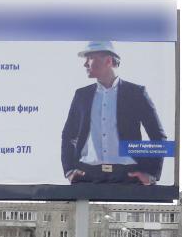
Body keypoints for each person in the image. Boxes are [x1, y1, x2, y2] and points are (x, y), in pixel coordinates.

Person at [60, 41, 168, 186]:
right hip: (86, 176)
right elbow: (68, 135)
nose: (85, 64)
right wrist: (69, 171)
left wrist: (151, 174)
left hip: (128, 176)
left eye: (90, 58)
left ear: (108, 61)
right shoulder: (82, 95)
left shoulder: (136, 93)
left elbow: (158, 136)